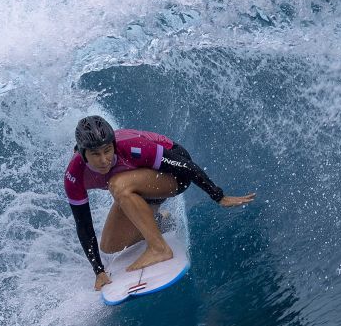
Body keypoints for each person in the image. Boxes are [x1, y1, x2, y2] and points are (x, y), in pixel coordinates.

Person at [65, 115, 255, 290]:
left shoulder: (132, 147)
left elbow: (186, 167)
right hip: (141, 188)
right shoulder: (74, 175)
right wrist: (98, 271)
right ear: (82, 154)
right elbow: (83, 225)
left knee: (118, 185)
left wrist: (218, 196)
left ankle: (159, 248)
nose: (104, 160)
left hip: (175, 174)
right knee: (110, 245)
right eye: (95, 154)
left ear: (113, 145)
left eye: (107, 151)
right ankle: (159, 222)